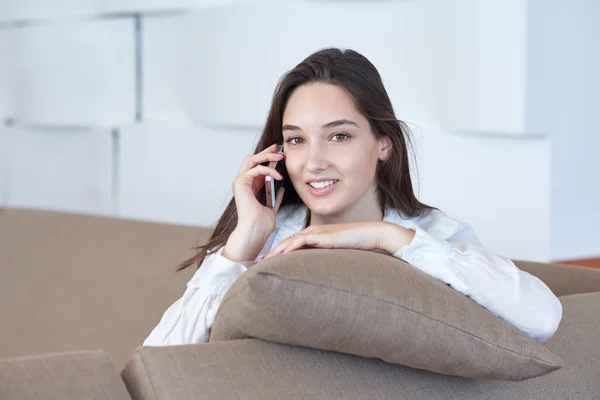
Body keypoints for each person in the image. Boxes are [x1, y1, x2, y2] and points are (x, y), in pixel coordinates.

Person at [144, 48, 562, 346]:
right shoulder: (266, 240)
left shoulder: (427, 237)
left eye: (338, 136)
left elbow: (542, 317)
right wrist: (245, 239)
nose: (313, 162)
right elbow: (159, 363)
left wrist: (386, 236)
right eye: (296, 140)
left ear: (384, 143)